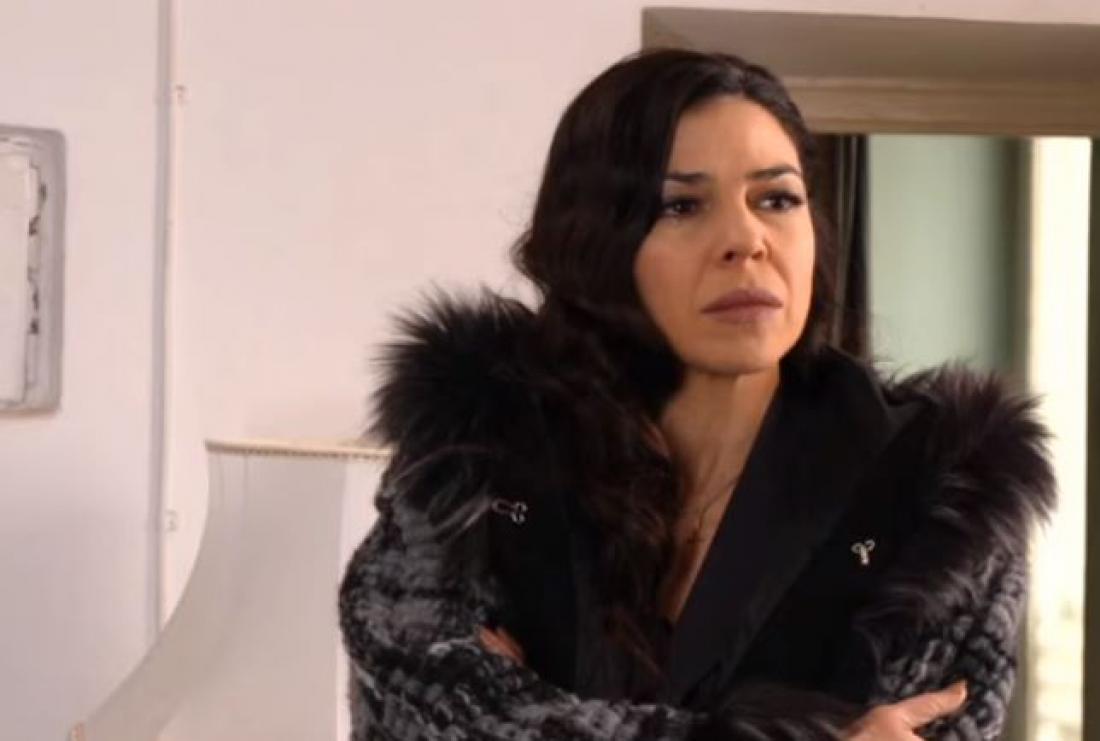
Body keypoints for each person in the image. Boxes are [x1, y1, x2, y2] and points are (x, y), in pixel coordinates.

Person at [339, 49, 1055, 739]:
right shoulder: (474, 455)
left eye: (777, 199)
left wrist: (535, 712)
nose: (747, 239)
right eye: (682, 206)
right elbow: (419, 699)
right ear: (596, 242)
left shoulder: (942, 501)